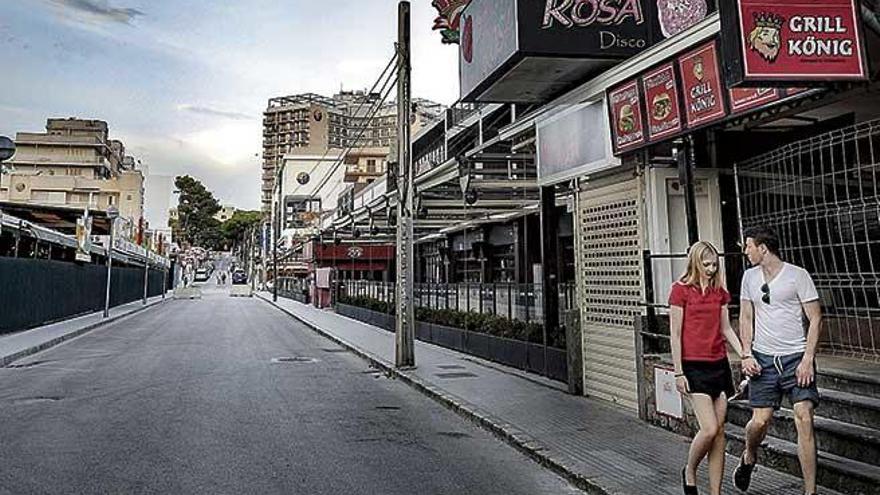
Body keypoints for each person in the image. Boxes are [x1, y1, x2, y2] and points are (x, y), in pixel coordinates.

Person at [734, 226, 822, 495]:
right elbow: (746, 317)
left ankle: (810, 491)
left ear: (762, 248)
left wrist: (808, 359)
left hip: (796, 358)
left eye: (748, 246)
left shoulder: (797, 276)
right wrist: (746, 354)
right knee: (759, 422)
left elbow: (816, 318)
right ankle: (749, 455)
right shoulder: (749, 277)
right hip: (764, 360)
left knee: (804, 416)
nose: (745, 251)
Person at [669, 241, 746, 495]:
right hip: (693, 366)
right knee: (709, 428)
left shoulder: (719, 292)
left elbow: (725, 329)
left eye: (714, 264)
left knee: (720, 432)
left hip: (719, 365)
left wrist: (745, 353)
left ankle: (716, 491)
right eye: (706, 264)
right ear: (695, 262)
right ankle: (690, 469)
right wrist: (678, 371)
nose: (711, 269)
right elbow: (676, 334)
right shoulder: (680, 291)